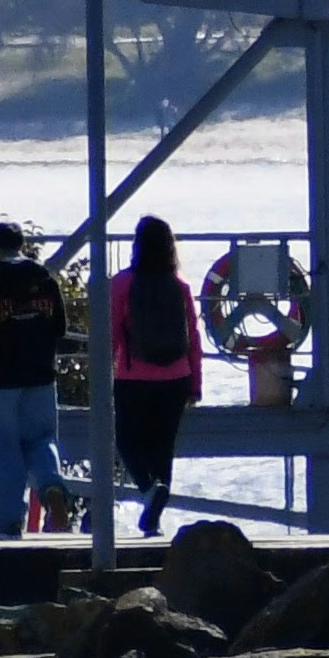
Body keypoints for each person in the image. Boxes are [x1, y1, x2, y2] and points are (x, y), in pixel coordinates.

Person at [0, 220, 79, 537]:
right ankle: (52, 486)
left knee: (4, 448)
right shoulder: (43, 276)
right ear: (21, 244)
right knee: (42, 440)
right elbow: (60, 328)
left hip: (2, 375)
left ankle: (9, 520)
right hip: (41, 373)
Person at [109, 214, 205, 538]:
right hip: (176, 378)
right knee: (163, 448)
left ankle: (149, 491)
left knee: (126, 441)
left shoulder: (122, 284)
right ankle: (154, 516)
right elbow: (193, 337)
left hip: (133, 376)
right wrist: (195, 383)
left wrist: (104, 372)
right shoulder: (180, 286)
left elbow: (111, 335)